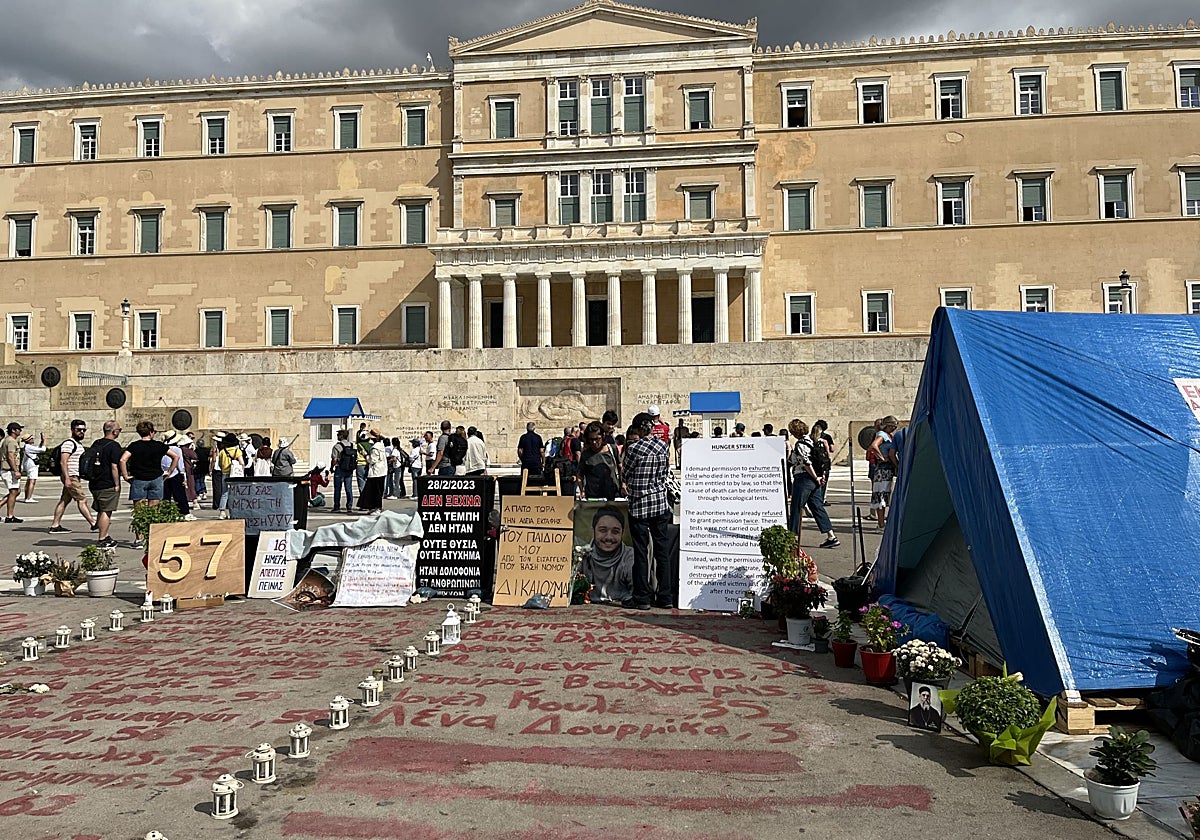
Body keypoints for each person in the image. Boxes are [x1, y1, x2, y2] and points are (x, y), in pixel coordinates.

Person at [621, 413, 674, 610]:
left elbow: (626, 474)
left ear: (637, 429)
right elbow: (665, 472)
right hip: (659, 503)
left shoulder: (633, 449)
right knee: (662, 552)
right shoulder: (663, 446)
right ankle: (665, 596)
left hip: (640, 504)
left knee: (641, 552)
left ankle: (642, 597)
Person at [787, 419, 839, 549]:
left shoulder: (800, 444)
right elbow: (820, 460)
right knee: (817, 507)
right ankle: (831, 536)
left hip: (804, 478)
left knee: (796, 507)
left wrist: (815, 477)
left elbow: (806, 463)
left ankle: (792, 537)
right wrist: (820, 477)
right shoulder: (815, 441)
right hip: (815, 479)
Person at [48, 419, 98, 534]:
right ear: (72, 430)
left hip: (73, 476)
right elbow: (63, 461)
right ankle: (93, 523)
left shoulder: (77, 444)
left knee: (64, 500)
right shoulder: (69, 444)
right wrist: (67, 478)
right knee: (82, 499)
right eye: (78, 430)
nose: (81, 432)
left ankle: (55, 525)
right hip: (71, 476)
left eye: (84, 430)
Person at [580, 505, 635, 605]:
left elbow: (637, 592)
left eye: (615, 532)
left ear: (622, 533)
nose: (609, 537)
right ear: (593, 531)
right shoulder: (582, 555)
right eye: (603, 530)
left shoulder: (629, 556)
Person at [120, 420, 177, 506]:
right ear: (151, 432)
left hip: (139, 478)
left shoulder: (134, 445)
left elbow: (123, 460)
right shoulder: (159, 445)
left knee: (139, 510)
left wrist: (125, 476)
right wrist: (169, 472)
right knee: (153, 510)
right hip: (156, 478)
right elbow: (175, 456)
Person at [88, 420, 124, 548]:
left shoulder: (96, 443)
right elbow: (114, 467)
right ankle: (102, 539)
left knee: (101, 509)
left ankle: (105, 534)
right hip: (107, 483)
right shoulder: (114, 446)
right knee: (106, 511)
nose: (119, 432)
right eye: (119, 430)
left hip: (94, 482)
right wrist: (117, 484)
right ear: (114, 431)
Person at [868, 415, 899, 530]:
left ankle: (881, 523)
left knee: (883, 495)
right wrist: (882, 458)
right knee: (881, 495)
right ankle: (881, 524)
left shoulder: (887, 435)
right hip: (883, 469)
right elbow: (873, 446)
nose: (894, 428)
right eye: (893, 426)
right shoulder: (882, 435)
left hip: (885, 469)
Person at [577, 420, 621, 500]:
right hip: (593, 497)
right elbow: (580, 474)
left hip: (613, 495)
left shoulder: (612, 449)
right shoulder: (586, 455)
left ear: (603, 436)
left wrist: (623, 484)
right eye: (591, 439)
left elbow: (620, 467)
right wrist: (581, 490)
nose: (594, 442)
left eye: (597, 439)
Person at [162, 430, 194, 519]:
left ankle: (165, 513)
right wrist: (184, 477)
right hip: (175, 474)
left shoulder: (162, 448)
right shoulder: (177, 449)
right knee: (180, 495)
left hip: (164, 474)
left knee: (166, 496)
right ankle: (184, 512)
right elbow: (180, 465)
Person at [356, 427, 387, 513]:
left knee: (374, 491)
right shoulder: (381, 446)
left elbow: (372, 460)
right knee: (378, 491)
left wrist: (365, 455)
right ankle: (375, 507)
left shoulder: (375, 448)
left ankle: (377, 507)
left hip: (375, 471)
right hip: (382, 470)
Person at [215, 432, 245, 519]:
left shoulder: (222, 452)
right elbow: (242, 463)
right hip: (235, 474)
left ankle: (222, 511)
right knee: (236, 493)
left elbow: (220, 464)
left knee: (224, 493)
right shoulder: (237, 451)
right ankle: (234, 511)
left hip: (225, 473)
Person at [2, 421, 26, 523]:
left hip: (8, 469)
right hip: (9, 470)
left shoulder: (7, 440)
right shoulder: (11, 441)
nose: (20, 431)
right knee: (13, 492)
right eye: (18, 429)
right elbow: (10, 456)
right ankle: (10, 516)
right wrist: (16, 470)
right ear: (13, 430)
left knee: (16, 491)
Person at [330, 428, 356, 513]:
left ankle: (337, 506)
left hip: (339, 468)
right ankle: (349, 506)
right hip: (349, 469)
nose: (337, 436)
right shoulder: (351, 445)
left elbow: (334, 459)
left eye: (338, 435)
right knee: (348, 488)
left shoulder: (337, 446)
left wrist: (331, 467)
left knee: (337, 488)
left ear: (341, 436)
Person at [811, 419, 835, 504]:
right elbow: (831, 450)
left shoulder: (810, 438)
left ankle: (814, 498)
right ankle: (821, 499)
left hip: (813, 463)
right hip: (823, 463)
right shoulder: (826, 438)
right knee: (824, 481)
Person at [19, 431, 46, 502]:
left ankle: (27, 497)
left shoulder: (28, 447)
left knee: (29, 481)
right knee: (32, 481)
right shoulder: (28, 447)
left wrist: (42, 441)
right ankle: (29, 498)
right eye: (31, 438)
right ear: (29, 440)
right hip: (32, 465)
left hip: (29, 465)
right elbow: (43, 450)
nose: (33, 439)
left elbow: (38, 448)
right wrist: (44, 440)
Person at [193, 435, 211, 501]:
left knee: (197, 481)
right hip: (205, 467)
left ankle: (199, 493)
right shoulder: (207, 450)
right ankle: (204, 492)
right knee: (202, 480)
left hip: (198, 467)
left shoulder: (196, 450)